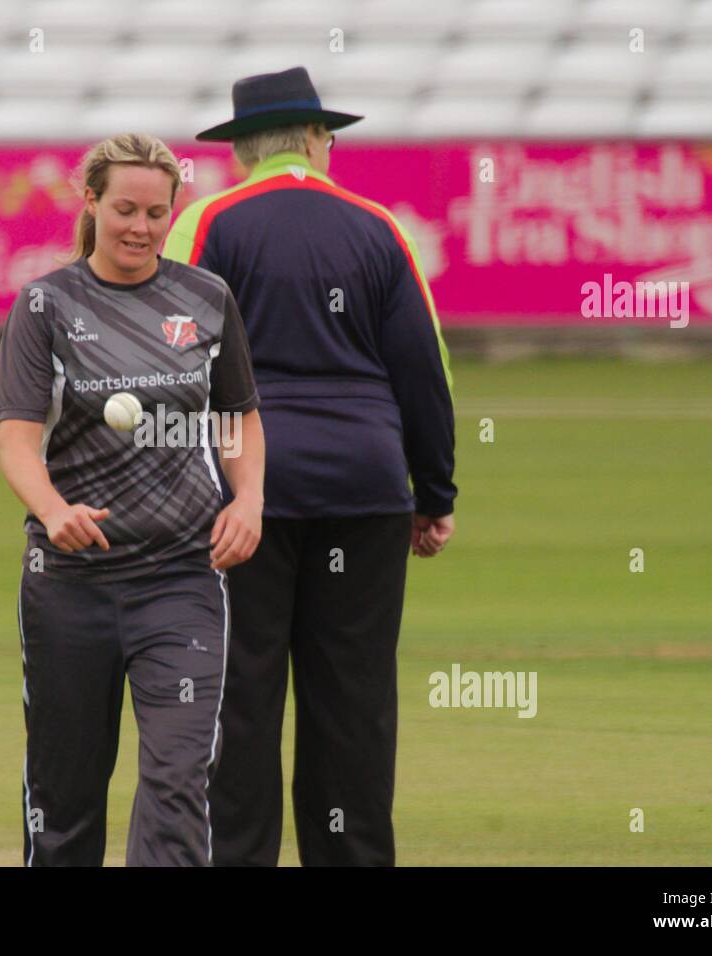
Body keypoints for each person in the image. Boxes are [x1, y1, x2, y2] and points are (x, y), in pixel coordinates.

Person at [162, 67, 457, 866]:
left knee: (240, 703)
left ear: (240, 151)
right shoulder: (379, 226)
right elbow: (422, 370)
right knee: (353, 705)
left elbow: (174, 361)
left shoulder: (205, 222)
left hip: (242, 496)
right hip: (365, 489)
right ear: (318, 140)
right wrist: (433, 492)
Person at [0, 132, 265, 866]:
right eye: (123, 209)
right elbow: (17, 439)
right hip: (70, 585)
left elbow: (238, 415)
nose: (139, 227)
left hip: (181, 578)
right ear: (91, 202)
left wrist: (248, 501)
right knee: (66, 794)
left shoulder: (206, 299)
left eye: (155, 211)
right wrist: (54, 512)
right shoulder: (45, 306)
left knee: (178, 778)